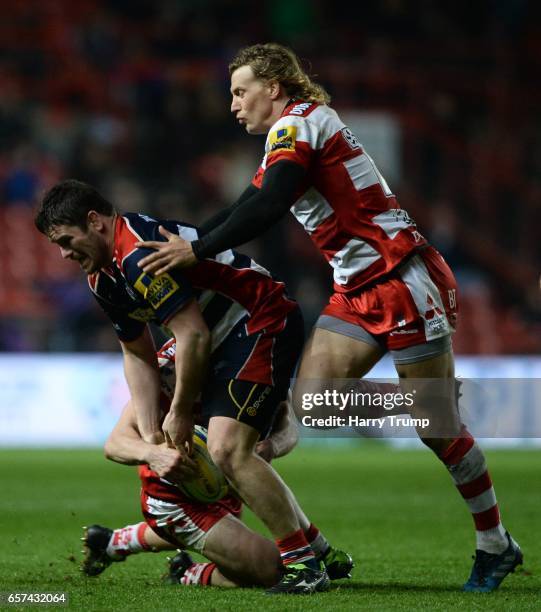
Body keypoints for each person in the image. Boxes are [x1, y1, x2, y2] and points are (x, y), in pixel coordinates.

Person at [135, 43, 522, 593]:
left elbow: (268, 209)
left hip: (399, 279)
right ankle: (429, 405)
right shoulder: (289, 135)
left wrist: (197, 253)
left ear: (273, 88)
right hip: (355, 288)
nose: (234, 104)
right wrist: (194, 241)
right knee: (313, 400)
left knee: (438, 431)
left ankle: (495, 544)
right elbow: (250, 202)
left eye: (240, 92)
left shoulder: (301, 124)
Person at [34, 179, 353, 594]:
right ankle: (306, 555)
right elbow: (137, 355)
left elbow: (195, 337)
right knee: (228, 450)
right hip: (221, 350)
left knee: (227, 448)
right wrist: (153, 439)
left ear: (94, 221)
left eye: (65, 239)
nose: (62, 253)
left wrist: (181, 413)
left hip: (258, 319)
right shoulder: (105, 278)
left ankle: (305, 562)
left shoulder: (135, 256)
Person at [83, 339, 351, 588]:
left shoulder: (246, 366)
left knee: (238, 519)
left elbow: (288, 425)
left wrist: (273, 445)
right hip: (174, 501)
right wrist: (153, 454)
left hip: (228, 484)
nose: (170, 380)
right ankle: (188, 574)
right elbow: (115, 443)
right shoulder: (160, 382)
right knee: (273, 570)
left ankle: (113, 543)